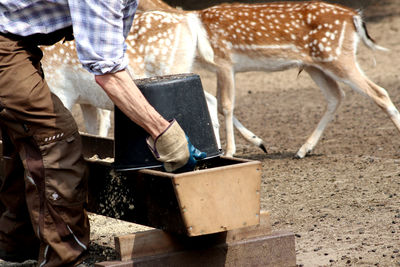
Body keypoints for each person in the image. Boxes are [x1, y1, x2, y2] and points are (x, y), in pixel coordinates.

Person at [0, 0, 206, 265]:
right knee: (54, 136)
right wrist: (163, 132)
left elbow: (114, 56)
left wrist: (144, 119)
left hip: (17, 39)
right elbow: (107, 72)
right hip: (5, 43)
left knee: (26, 130)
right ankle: (66, 259)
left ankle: (14, 248)